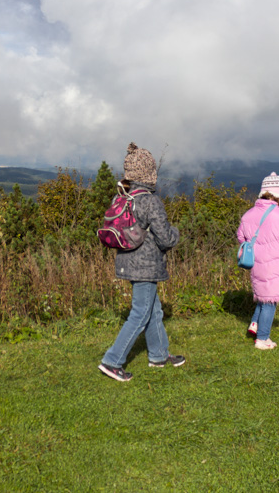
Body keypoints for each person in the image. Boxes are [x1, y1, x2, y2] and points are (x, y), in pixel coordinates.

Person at [98, 142, 183, 382]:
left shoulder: (123, 197)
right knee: (141, 313)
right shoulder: (150, 201)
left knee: (153, 310)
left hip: (126, 261)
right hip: (146, 265)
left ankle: (158, 355)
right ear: (150, 172)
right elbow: (165, 238)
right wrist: (176, 232)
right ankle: (112, 361)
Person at [236, 172, 279, 350]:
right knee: (270, 301)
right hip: (276, 265)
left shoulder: (248, 214)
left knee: (263, 296)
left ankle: (254, 324)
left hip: (256, 263)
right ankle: (262, 339)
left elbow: (241, 236)